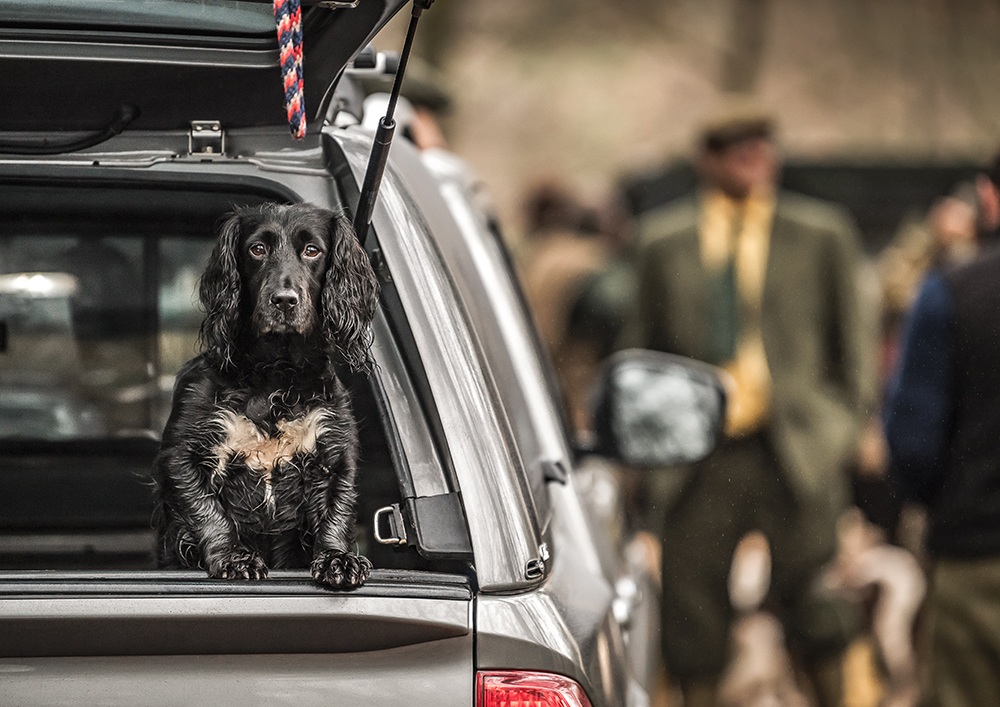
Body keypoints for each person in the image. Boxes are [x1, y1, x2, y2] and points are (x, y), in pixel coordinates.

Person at [618, 106, 873, 707]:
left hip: (793, 449)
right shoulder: (663, 240)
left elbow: (856, 352)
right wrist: (648, 449)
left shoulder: (821, 233)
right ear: (706, 159)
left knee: (817, 606)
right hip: (697, 454)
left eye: (761, 144)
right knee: (691, 611)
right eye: (733, 146)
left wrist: (840, 431)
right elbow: (638, 353)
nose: (751, 156)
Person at [883, 152, 1000, 707]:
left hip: (978, 559)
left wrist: (935, 503)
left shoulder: (954, 293)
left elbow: (912, 444)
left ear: (989, 196)